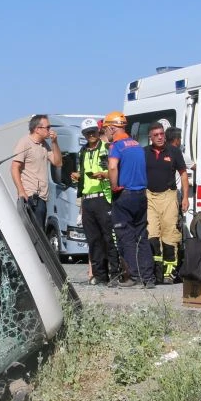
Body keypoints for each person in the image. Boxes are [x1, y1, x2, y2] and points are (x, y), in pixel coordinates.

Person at [103, 111, 157, 288]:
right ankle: (148, 278)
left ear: (112, 127)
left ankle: (134, 276)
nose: (106, 134)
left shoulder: (116, 146)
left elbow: (112, 167)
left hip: (124, 194)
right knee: (141, 235)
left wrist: (113, 186)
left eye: (106, 130)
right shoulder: (136, 144)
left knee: (126, 236)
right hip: (141, 194)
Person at [76, 118, 120, 287]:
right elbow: (83, 173)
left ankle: (115, 273)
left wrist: (105, 175)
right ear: (84, 135)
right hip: (87, 199)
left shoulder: (108, 148)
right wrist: (77, 176)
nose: (91, 135)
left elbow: (116, 171)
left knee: (109, 237)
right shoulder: (82, 152)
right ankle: (100, 275)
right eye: (88, 133)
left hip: (104, 196)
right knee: (93, 240)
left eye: (93, 131)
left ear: (98, 131)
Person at [145, 122, 189, 283]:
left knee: (170, 234)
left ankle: (169, 272)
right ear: (150, 137)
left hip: (169, 195)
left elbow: (184, 174)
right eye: (156, 135)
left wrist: (184, 197)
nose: (159, 137)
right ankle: (154, 271)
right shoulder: (145, 153)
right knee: (151, 234)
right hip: (149, 196)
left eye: (161, 134)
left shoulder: (174, 151)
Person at [10, 114, 62, 230]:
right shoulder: (25, 142)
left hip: (42, 199)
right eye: (47, 127)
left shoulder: (45, 145)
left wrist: (54, 142)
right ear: (37, 129)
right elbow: (14, 168)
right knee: (33, 234)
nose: (50, 130)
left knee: (40, 233)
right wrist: (21, 191)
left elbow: (58, 163)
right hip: (30, 197)